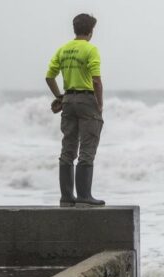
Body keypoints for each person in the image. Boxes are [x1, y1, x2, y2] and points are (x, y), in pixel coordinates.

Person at [45, 13, 105, 207]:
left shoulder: (63, 49)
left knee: (68, 148)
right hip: (87, 100)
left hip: (69, 99)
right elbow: (96, 80)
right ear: (90, 31)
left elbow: (49, 77)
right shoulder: (90, 49)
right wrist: (100, 103)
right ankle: (84, 196)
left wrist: (60, 96)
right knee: (88, 147)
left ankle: (66, 197)